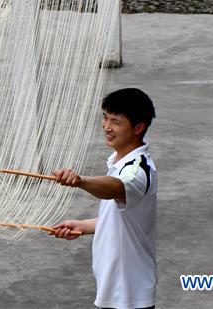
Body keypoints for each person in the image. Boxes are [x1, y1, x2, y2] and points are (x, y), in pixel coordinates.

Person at [50, 88, 157, 309]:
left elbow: (115, 188)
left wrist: (79, 181)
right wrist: (82, 225)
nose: (107, 127)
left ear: (138, 127)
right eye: (105, 118)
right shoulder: (118, 162)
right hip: (116, 288)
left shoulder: (138, 171)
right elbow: (121, 220)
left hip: (129, 294)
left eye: (115, 122)